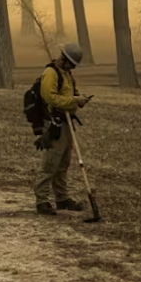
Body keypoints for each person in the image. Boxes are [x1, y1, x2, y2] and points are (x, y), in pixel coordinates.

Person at [34, 42, 91, 216]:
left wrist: (79, 98)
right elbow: (50, 98)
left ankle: (62, 198)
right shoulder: (50, 73)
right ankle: (42, 201)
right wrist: (73, 101)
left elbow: (70, 93)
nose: (73, 67)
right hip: (54, 123)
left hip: (67, 123)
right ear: (65, 59)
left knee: (63, 163)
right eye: (72, 64)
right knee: (51, 162)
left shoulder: (67, 74)